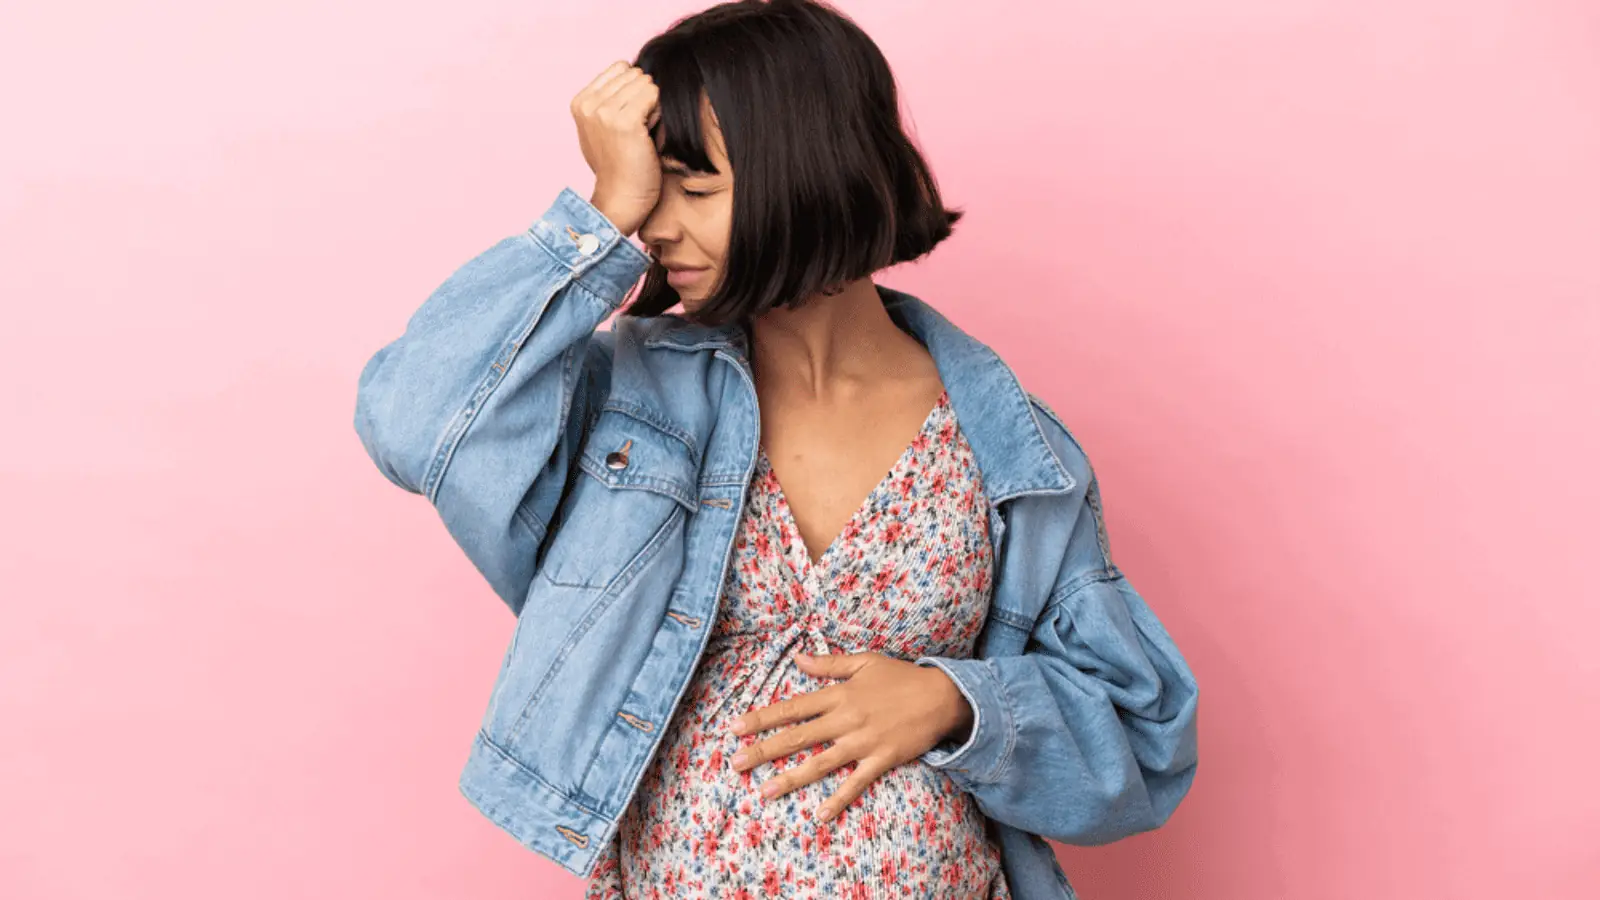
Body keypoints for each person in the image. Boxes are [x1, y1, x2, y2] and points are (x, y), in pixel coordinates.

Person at [353, 2, 1199, 898]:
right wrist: (598, 216)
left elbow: (1144, 740)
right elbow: (413, 419)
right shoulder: (626, 400)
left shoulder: (1008, 448)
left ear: (806, 171)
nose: (657, 226)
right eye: (649, 189)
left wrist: (959, 703)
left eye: (695, 187)